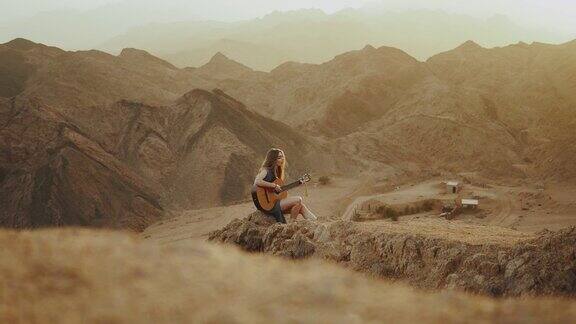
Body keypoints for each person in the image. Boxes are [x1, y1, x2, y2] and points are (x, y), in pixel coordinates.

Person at [253, 148, 318, 223]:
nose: (282, 159)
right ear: (272, 159)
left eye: (282, 157)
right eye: (279, 157)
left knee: (301, 206)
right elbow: (257, 181)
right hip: (268, 205)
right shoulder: (265, 170)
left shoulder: (276, 173)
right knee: (298, 199)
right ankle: (291, 223)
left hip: (274, 203)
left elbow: (277, 191)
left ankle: (316, 221)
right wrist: (274, 186)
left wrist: (299, 182)